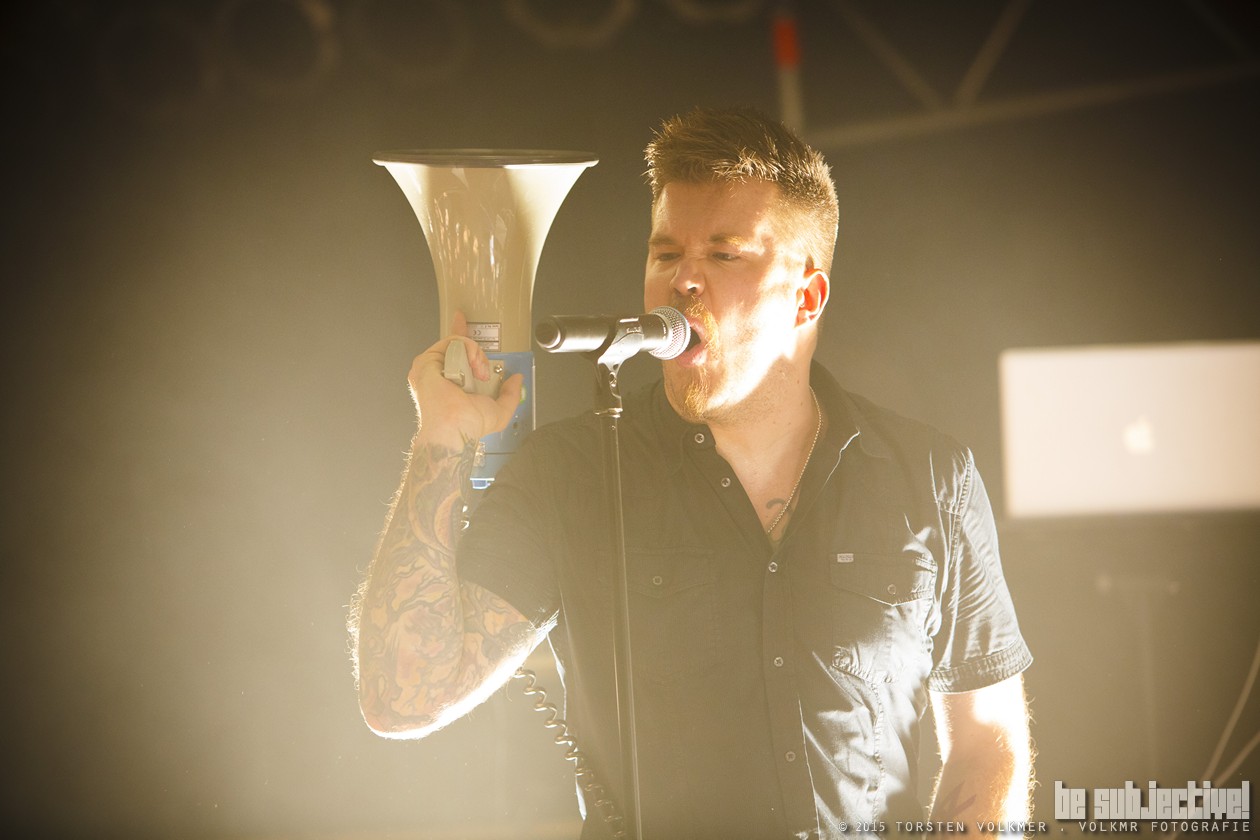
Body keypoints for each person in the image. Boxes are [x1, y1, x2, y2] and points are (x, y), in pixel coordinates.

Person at [350, 106, 1034, 839]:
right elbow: (402, 697)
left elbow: (986, 741)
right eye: (666, 253)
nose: (683, 280)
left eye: (725, 255)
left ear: (806, 297)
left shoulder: (931, 477)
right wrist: (442, 438)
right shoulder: (571, 472)